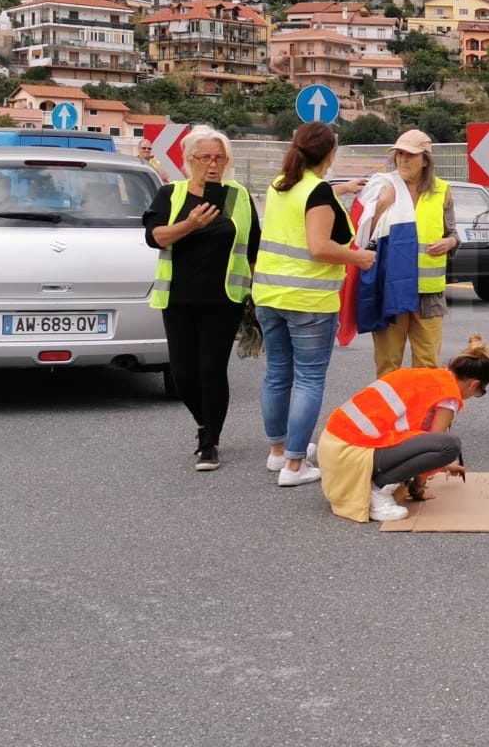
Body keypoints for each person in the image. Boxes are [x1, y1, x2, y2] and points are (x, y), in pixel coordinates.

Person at [251, 121, 375, 488]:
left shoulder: (280, 184)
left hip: (269, 295)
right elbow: (319, 247)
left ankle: (278, 453)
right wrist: (359, 258)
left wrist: (343, 188)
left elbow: (310, 197)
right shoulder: (318, 192)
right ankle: (295, 465)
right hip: (308, 299)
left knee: (277, 374)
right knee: (308, 378)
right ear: (331, 153)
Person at [143, 125, 257, 472]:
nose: (213, 164)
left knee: (211, 369)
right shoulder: (170, 194)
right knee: (182, 374)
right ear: (189, 160)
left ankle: (210, 442)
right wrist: (190, 224)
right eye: (205, 157)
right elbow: (155, 237)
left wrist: (258, 294)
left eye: (219, 158)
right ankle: (203, 424)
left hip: (224, 298)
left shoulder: (238, 196)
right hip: (178, 298)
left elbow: (254, 249)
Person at [318, 335, 489, 523]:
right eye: (479, 392)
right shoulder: (449, 396)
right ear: (474, 384)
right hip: (351, 454)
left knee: (442, 446)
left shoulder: (430, 377)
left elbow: (415, 439)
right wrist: (419, 487)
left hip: (335, 447)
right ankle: (378, 491)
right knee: (450, 446)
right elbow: (436, 442)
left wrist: (441, 466)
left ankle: (378, 485)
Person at [354, 128, 458, 376]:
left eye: (410, 155)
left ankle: (422, 416)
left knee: (427, 366)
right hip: (392, 290)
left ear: (425, 160)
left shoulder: (443, 191)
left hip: (429, 294)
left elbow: (453, 233)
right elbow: (362, 235)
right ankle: (391, 415)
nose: (402, 160)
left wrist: (450, 242)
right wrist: (381, 204)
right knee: (388, 365)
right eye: (399, 154)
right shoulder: (384, 187)